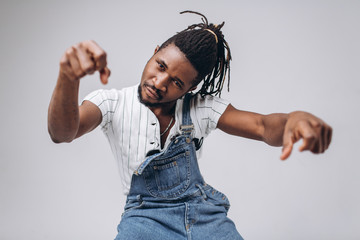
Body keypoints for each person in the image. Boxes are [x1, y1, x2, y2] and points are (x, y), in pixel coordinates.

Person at [48, 11, 332, 240]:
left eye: (176, 82)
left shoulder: (200, 108)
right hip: (144, 218)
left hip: (204, 217)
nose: (160, 83)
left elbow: (261, 125)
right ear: (155, 51)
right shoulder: (112, 103)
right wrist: (68, 78)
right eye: (160, 66)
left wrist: (292, 119)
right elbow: (62, 133)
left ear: (191, 87)